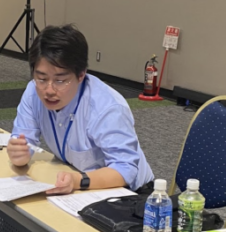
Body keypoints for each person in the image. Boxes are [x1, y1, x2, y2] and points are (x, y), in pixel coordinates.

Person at [8, 24, 154, 194]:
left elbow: (125, 169)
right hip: (76, 180)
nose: (49, 90)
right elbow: (23, 141)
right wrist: (19, 154)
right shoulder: (33, 92)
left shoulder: (107, 107)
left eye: (60, 81)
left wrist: (78, 180)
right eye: (41, 78)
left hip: (130, 193)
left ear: (81, 75)